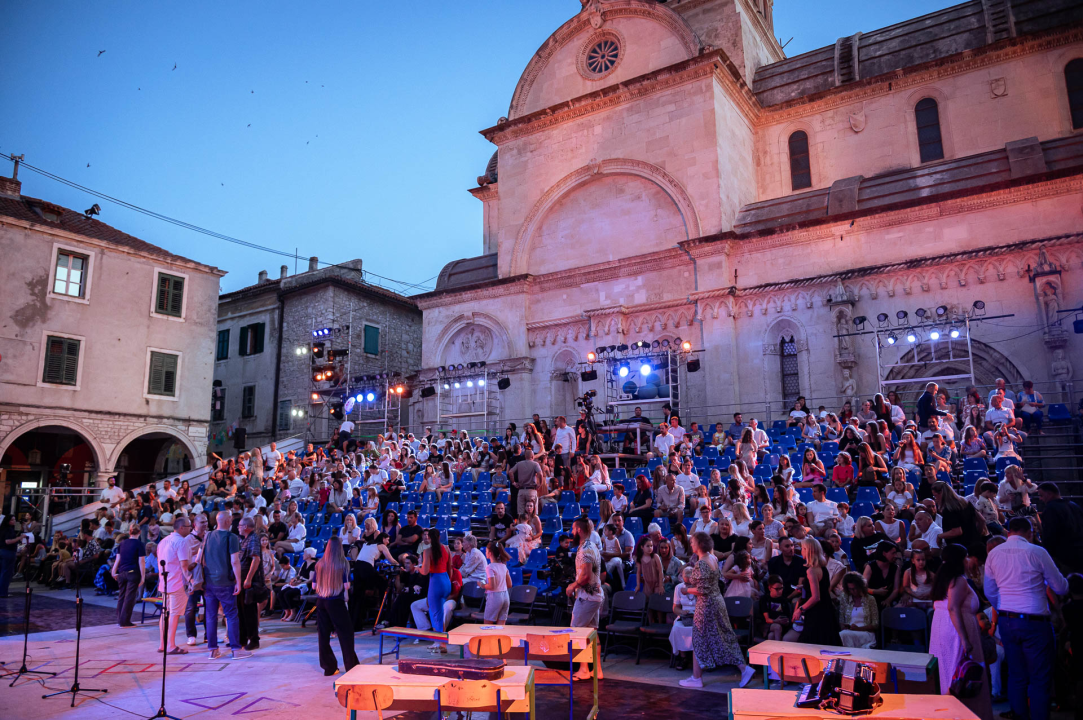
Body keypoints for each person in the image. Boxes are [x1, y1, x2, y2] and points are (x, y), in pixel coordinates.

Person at [984, 517, 1068, 720]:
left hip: (1007, 619)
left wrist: (1004, 606)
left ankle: (1019, 715)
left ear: (1009, 531)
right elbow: (1060, 587)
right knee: (1039, 677)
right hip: (1035, 621)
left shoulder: (994, 553)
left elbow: (990, 591)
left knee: (1016, 673)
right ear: (1029, 532)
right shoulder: (1036, 552)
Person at [679, 531, 756, 689]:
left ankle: (697, 677)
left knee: (700, 638)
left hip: (707, 604)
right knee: (723, 637)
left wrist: (687, 591)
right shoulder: (712, 558)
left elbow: (703, 590)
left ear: (700, 544)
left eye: (693, 542)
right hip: (717, 601)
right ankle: (741, 668)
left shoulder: (702, 563)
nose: (691, 544)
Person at [930, 544, 992, 720]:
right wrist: (965, 639)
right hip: (956, 629)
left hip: (942, 627)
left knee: (947, 670)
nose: (968, 560)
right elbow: (953, 607)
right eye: (965, 556)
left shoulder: (943, 578)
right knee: (961, 673)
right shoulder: (958, 580)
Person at [201, 510, 249, 659]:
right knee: (232, 616)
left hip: (209, 582)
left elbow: (200, 559)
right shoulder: (231, 537)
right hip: (225, 582)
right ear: (228, 521)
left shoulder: (207, 536)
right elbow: (235, 561)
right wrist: (239, 582)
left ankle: (213, 650)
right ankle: (236, 649)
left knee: (210, 616)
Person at [312, 536, 359, 676]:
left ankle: (329, 667)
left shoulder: (319, 564)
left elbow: (314, 586)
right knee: (346, 634)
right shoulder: (343, 563)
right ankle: (351, 667)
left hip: (321, 601)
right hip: (336, 601)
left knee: (323, 635)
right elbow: (346, 585)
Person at [567, 518, 605, 681]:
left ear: (579, 530)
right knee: (592, 633)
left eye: (573, 529)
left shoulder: (586, 550)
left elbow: (586, 575)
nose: (571, 532)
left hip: (588, 597)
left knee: (577, 632)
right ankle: (597, 670)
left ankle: (583, 669)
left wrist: (573, 586)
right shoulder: (592, 546)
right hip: (594, 596)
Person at [795, 537, 842, 645]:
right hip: (827, 610)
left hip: (817, 613)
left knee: (811, 644)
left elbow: (816, 597)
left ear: (808, 550)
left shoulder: (811, 571)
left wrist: (800, 609)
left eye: (803, 548)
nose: (801, 551)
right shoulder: (822, 568)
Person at [1035, 482, 1083, 573]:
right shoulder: (1074, 505)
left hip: (1064, 556)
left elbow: (1050, 534)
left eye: (1041, 495)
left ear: (1049, 494)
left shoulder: (1051, 509)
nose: (1040, 499)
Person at [419, 528, 451, 652]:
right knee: (438, 612)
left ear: (429, 538)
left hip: (436, 581)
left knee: (436, 614)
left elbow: (425, 571)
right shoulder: (447, 548)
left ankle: (441, 643)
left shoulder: (427, 550)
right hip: (446, 581)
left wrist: (418, 569)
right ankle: (438, 641)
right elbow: (450, 568)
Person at [110, 524, 145, 628]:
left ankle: (120, 619)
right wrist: (143, 576)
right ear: (139, 532)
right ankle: (125, 621)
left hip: (122, 572)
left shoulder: (122, 543)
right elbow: (141, 561)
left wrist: (113, 571)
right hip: (133, 572)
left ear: (129, 532)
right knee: (129, 597)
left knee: (122, 596)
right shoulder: (139, 544)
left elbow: (117, 559)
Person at [838, 572, 879, 648]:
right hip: (849, 632)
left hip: (866, 633)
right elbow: (841, 619)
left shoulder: (870, 599)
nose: (854, 591)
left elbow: (875, 624)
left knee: (843, 635)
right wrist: (844, 626)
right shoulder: (845, 598)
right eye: (851, 589)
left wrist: (859, 629)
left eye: (856, 588)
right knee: (842, 634)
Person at [760, 574, 799, 642]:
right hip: (768, 625)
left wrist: (786, 621)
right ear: (770, 588)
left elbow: (788, 619)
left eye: (781, 588)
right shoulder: (764, 599)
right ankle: (780, 649)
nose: (780, 591)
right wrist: (776, 621)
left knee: (771, 636)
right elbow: (767, 619)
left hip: (781, 626)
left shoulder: (784, 601)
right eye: (777, 589)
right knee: (777, 627)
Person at [480, 541, 512, 624]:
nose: (485, 553)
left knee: (487, 627)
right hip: (505, 596)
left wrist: (482, 585)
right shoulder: (503, 566)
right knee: (500, 627)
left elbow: (492, 586)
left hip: (494, 597)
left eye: (486, 551)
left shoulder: (490, 567)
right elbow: (509, 584)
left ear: (490, 553)